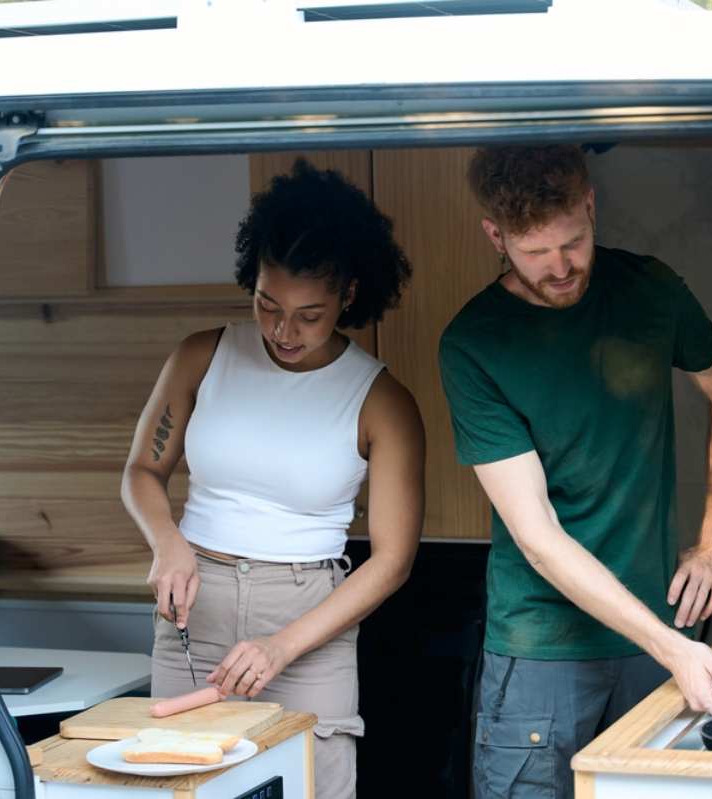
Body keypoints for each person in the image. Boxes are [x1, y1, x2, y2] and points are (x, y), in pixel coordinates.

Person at [438, 145, 712, 798]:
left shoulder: (654, 292)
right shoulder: (474, 343)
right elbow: (539, 536)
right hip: (541, 651)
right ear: (495, 236)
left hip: (659, 643)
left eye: (573, 242)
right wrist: (673, 646)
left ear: (590, 205)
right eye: (534, 252)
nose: (560, 268)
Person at [121, 159, 425, 799]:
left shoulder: (382, 400)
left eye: (309, 315)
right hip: (192, 611)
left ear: (348, 294)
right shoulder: (202, 354)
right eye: (267, 305)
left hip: (309, 622)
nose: (284, 332)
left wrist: (283, 646)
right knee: (181, 786)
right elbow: (143, 472)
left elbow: (393, 560)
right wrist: (168, 543)